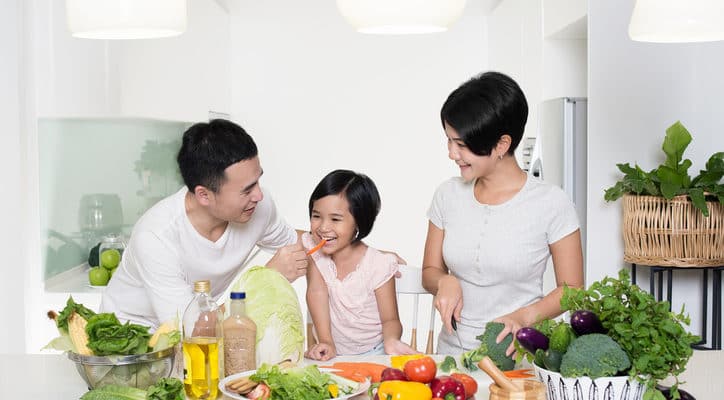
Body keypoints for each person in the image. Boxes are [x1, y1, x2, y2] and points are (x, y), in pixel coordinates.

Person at [421, 71, 584, 355]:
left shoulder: (551, 203)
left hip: (518, 355)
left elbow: (572, 290)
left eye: (461, 145)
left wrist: (524, 317)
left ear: (501, 145)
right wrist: (444, 281)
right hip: (452, 356)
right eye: (449, 141)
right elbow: (429, 272)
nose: (451, 153)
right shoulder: (447, 195)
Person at [100, 119, 308, 328]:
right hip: (130, 340)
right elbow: (191, 332)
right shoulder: (156, 237)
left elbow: (297, 244)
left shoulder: (256, 205)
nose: (259, 195)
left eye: (258, 181)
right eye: (247, 189)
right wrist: (266, 280)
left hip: (197, 331)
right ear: (204, 195)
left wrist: (335, 233)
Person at [303, 170, 418, 361]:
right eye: (316, 216)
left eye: (335, 219)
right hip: (330, 354)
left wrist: (391, 340)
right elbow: (316, 293)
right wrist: (326, 342)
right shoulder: (315, 251)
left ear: (359, 222)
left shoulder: (378, 265)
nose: (323, 227)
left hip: (375, 354)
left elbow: (390, 319)